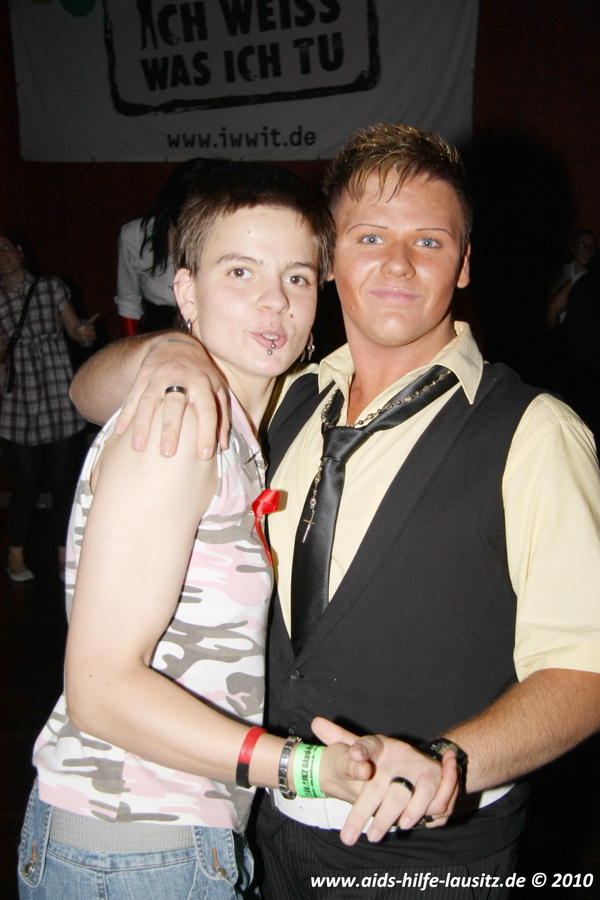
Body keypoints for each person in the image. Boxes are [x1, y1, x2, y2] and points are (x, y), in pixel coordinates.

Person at [69, 125, 600, 899]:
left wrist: (448, 762)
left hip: (427, 857)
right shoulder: (280, 396)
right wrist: (166, 351)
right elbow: (88, 392)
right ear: (330, 261)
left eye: (428, 241)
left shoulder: (534, 432)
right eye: (369, 237)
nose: (397, 263)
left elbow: (583, 670)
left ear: (464, 263)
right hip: (263, 833)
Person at [18, 162, 457, 900]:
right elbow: (98, 688)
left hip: (177, 838)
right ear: (186, 292)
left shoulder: (241, 422)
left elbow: (86, 386)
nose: (272, 301)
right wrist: (303, 767)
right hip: (133, 845)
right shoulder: (182, 426)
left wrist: (165, 348)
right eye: (240, 271)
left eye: (295, 277)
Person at [0, 230, 95, 582]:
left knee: (62, 481)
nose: (2, 255)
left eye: (6, 247)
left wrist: (82, 332)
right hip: (19, 395)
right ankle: (15, 556)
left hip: (56, 388)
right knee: (25, 484)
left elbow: (73, 328)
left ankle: (63, 555)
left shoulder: (51, 287)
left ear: (20, 252)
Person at [115, 157, 224, 336]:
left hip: (212, 329)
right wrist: (134, 347)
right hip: (157, 331)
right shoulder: (135, 236)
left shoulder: (224, 234)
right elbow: (128, 301)